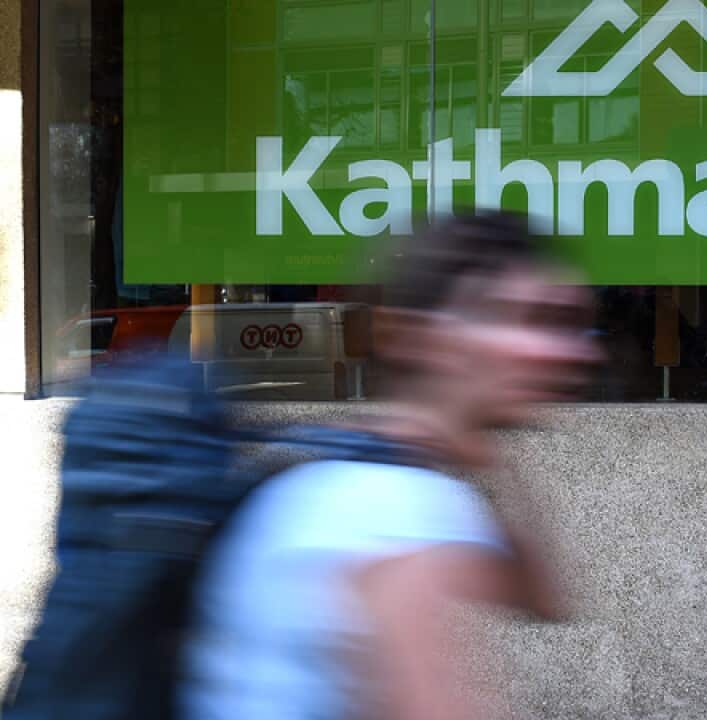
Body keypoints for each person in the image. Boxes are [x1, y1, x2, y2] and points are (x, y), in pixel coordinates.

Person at [181, 211, 602, 720]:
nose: (566, 351)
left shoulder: (364, 467)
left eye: (565, 323)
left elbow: (542, 600)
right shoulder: (391, 506)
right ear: (415, 337)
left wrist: (483, 450)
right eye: (523, 318)